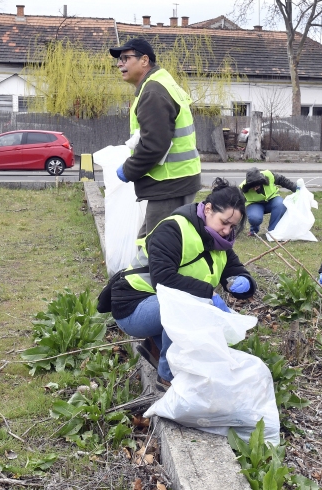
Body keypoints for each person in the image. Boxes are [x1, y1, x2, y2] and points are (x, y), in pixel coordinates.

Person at [107, 178, 256, 388]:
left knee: (199, 347)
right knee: (189, 304)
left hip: (161, 306)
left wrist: (245, 282)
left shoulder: (218, 241)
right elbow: (163, 278)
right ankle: (168, 377)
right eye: (224, 222)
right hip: (133, 306)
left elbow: (234, 269)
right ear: (208, 209)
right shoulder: (173, 230)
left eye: (232, 226)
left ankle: (157, 348)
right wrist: (209, 294)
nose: (226, 231)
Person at [109, 37, 202, 238]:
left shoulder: (153, 91)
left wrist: (128, 170)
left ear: (144, 60)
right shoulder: (161, 82)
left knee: (158, 247)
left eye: (125, 58)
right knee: (160, 242)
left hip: (171, 183)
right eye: (119, 60)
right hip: (178, 180)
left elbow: (154, 146)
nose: (119, 64)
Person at [240, 167, 298, 236]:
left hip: (272, 200)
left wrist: (295, 187)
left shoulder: (268, 175)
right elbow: (237, 205)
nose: (255, 188)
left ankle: (272, 232)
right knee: (254, 218)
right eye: (252, 187)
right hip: (254, 204)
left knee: (281, 204)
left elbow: (282, 180)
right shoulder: (243, 188)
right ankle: (254, 231)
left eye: (257, 186)